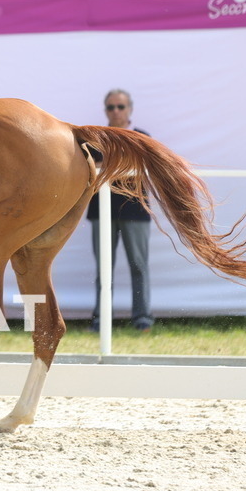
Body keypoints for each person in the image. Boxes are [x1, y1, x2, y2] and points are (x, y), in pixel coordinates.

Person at [86, 88, 155, 331]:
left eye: (120, 106)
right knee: (103, 268)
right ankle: (101, 319)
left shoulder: (141, 137)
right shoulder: (96, 137)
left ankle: (142, 317)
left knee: (139, 265)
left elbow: (144, 165)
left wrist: (107, 165)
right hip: (100, 212)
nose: (116, 111)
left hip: (135, 211)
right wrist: (119, 163)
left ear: (130, 109)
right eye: (111, 107)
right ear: (105, 110)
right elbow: (87, 168)